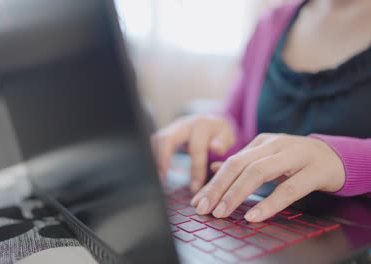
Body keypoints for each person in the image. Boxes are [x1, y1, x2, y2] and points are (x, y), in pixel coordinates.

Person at [153, 0, 371, 223]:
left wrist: (343, 160)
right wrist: (210, 134)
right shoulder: (271, 24)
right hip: (265, 230)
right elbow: (237, 128)